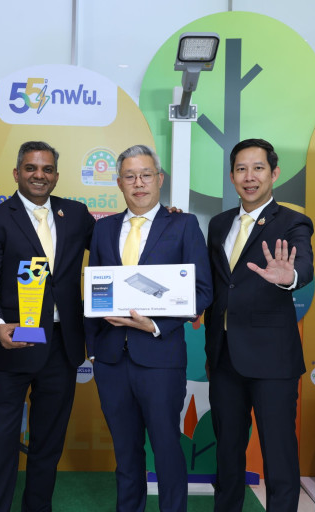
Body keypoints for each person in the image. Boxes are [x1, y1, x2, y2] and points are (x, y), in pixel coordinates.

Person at [84, 145, 213, 512]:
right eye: (130, 176)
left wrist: (155, 324)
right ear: (119, 183)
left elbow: (202, 291)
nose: (138, 183)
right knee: (125, 452)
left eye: (145, 175)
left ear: (159, 179)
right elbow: (93, 289)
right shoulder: (103, 228)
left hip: (160, 358)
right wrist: (93, 349)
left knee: (167, 448)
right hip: (111, 360)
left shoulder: (183, 225)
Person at [0, 140, 96, 511]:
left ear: (56, 176)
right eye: (31, 168)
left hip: (62, 345)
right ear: (16, 173)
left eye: (46, 169)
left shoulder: (76, 214)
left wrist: (159, 215)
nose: (38, 175)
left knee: (48, 444)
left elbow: (114, 242)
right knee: (2, 441)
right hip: (13, 343)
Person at [204, 139, 314, 512]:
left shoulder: (293, 221)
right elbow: (217, 284)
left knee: (279, 455)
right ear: (232, 176)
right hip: (224, 358)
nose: (249, 177)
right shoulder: (219, 224)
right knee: (227, 452)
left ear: (274, 173)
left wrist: (289, 276)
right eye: (241, 169)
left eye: (258, 168)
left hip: (272, 361)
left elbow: (304, 266)